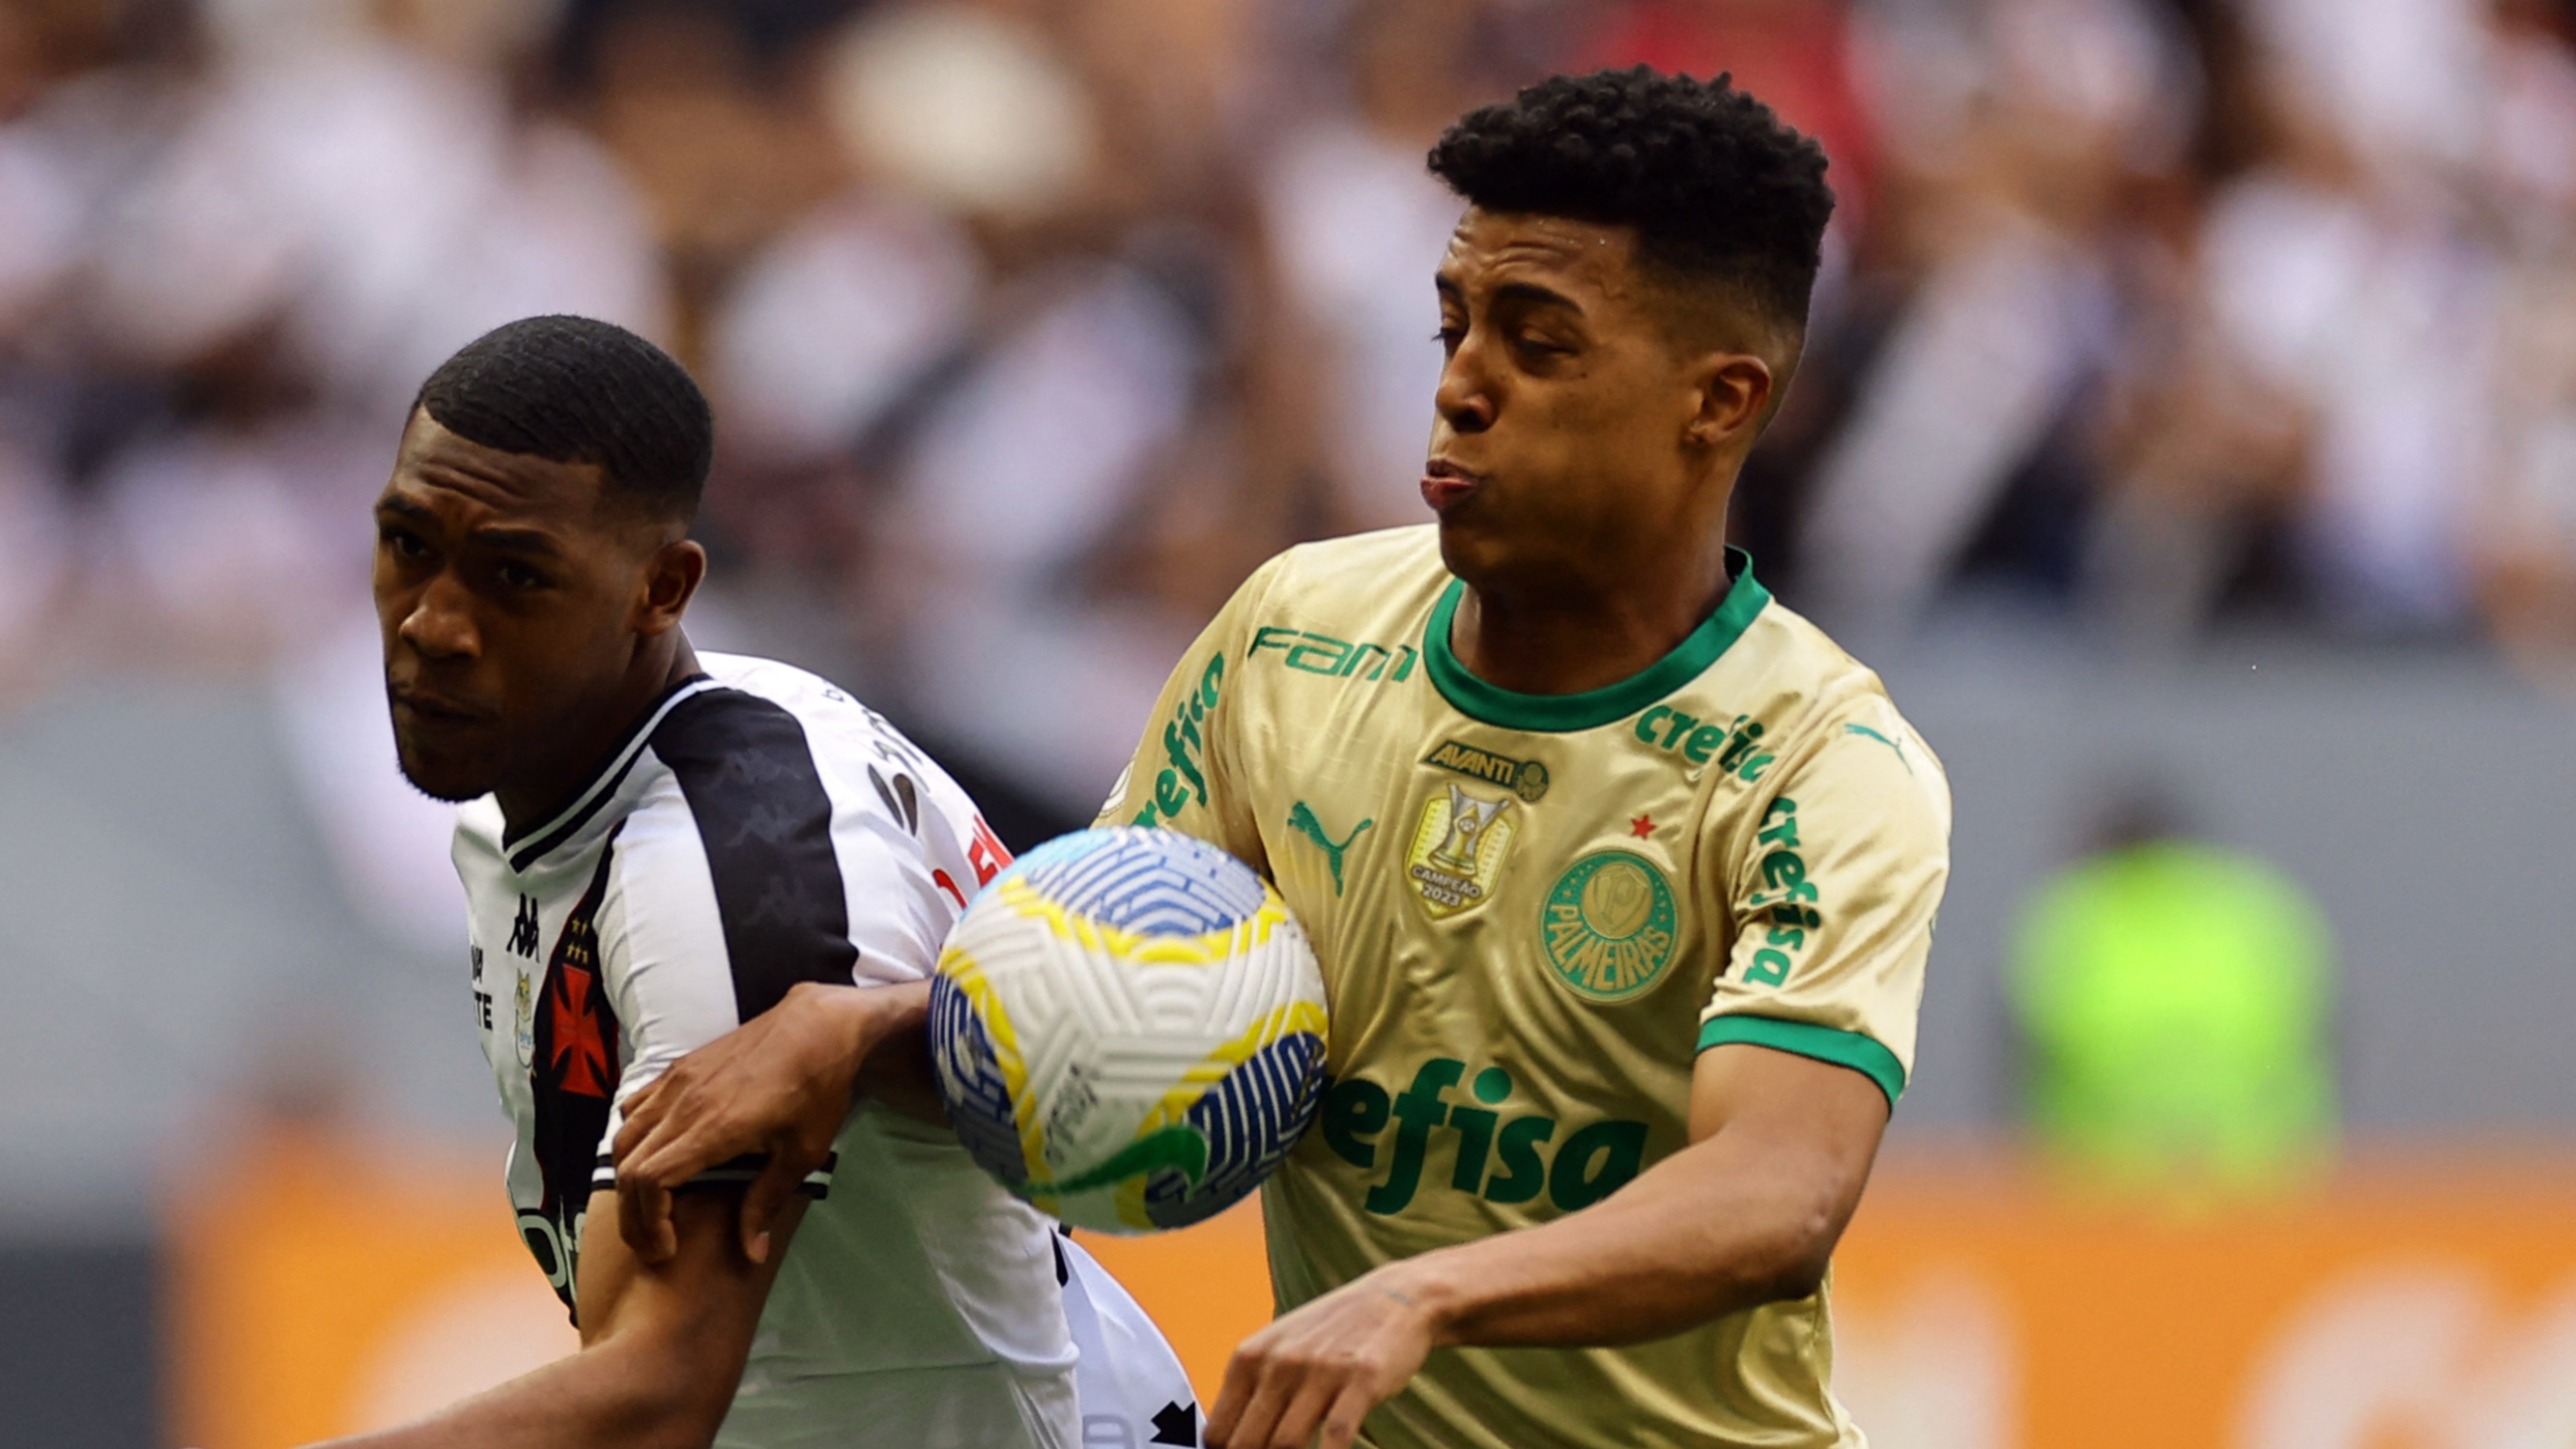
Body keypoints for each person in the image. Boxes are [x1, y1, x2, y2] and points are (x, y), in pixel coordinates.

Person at [616, 69, 1952, 1449]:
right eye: (1453, 325)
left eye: (1538, 344)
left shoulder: (1817, 761)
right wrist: (863, 1028)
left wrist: (1422, 1296)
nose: (1462, 386)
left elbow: (1778, 1192)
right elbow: (1100, 997)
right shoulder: (1290, 643)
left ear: (1718, 401)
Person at [336, 315, 1192, 1449]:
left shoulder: (727, 871)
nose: (433, 624)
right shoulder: (578, 766)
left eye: (514, 576)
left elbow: (661, 1386)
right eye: (408, 545)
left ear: (662, 588)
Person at [2007, 782, 2334, 1198]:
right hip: (2254, 1191)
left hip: (2104, 1201)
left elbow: (2024, 1061)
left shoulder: (2071, 917)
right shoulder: (2259, 909)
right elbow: (2320, 1038)